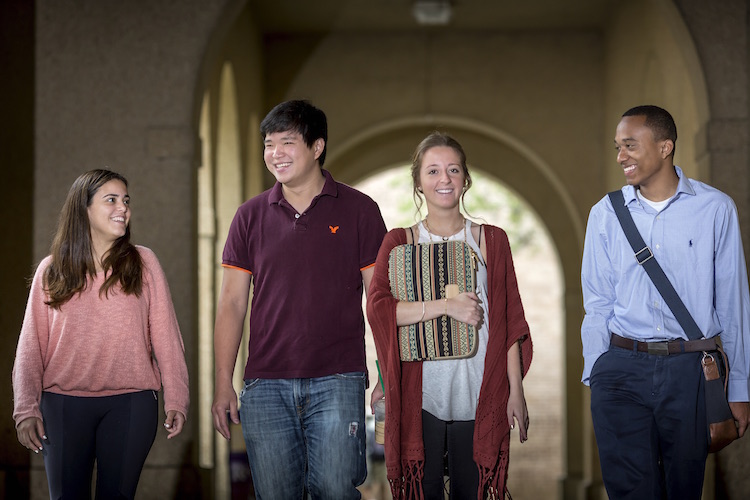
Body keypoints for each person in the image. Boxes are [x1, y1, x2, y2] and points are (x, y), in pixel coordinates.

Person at [210, 99, 387, 498]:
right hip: (265, 383)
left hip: (339, 379)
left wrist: (385, 375)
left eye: (286, 142)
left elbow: (379, 302)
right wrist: (224, 382)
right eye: (268, 144)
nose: (275, 154)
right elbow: (232, 305)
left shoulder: (360, 210)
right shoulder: (249, 216)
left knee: (335, 490)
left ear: (317, 146)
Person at [581, 105, 750, 498]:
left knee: (682, 491)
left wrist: (739, 389)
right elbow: (598, 302)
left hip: (690, 370)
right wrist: (597, 372)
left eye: (629, 146)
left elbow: (733, 305)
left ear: (664, 147)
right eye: (617, 147)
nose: (620, 156)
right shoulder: (605, 214)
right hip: (620, 370)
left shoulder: (715, 209)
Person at [367, 132, 533, 499]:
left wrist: (515, 391)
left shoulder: (492, 240)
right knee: (423, 490)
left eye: (453, 170)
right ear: (419, 183)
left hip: (479, 391)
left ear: (465, 179)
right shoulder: (399, 242)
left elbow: (509, 322)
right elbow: (380, 313)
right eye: (433, 171)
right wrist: (447, 306)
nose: (444, 179)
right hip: (420, 395)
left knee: (470, 491)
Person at [12, 169, 190, 499]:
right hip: (62, 404)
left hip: (132, 404)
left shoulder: (144, 263)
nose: (122, 207)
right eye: (111, 200)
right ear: (84, 209)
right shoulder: (52, 270)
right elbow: (30, 345)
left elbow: (166, 334)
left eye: (126, 200)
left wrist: (177, 397)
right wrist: (25, 409)